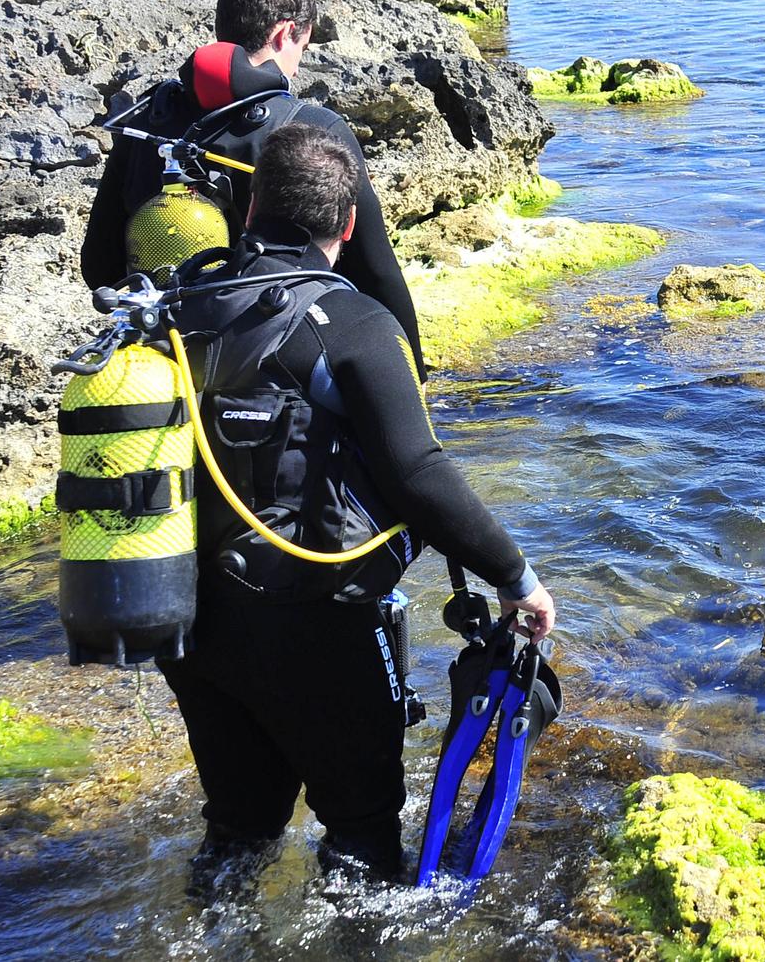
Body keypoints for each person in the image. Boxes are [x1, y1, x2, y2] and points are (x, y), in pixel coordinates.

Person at [158, 123, 556, 881]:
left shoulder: (187, 304)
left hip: (194, 623)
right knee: (363, 840)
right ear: (347, 222)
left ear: (249, 214)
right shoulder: (354, 323)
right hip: (320, 628)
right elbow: (420, 475)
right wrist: (517, 575)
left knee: (239, 830)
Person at [81, 0, 423, 368]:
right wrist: (412, 369)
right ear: (283, 33)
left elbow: (99, 265)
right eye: (303, 47)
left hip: (160, 355)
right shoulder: (315, 127)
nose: (298, 64)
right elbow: (375, 270)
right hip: (272, 357)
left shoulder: (146, 122)